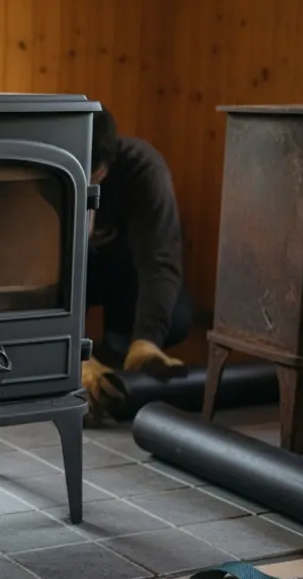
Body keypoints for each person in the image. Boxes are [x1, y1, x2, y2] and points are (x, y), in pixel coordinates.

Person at [82, 108, 194, 419]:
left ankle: (118, 361)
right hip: (73, 272)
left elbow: (159, 259)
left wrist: (147, 339)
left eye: (94, 178)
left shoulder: (142, 168)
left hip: (124, 272)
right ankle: (88, 365)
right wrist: (72, 355)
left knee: (177, 317)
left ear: (107, 165)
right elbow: (42, 271)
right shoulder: (44, 174)